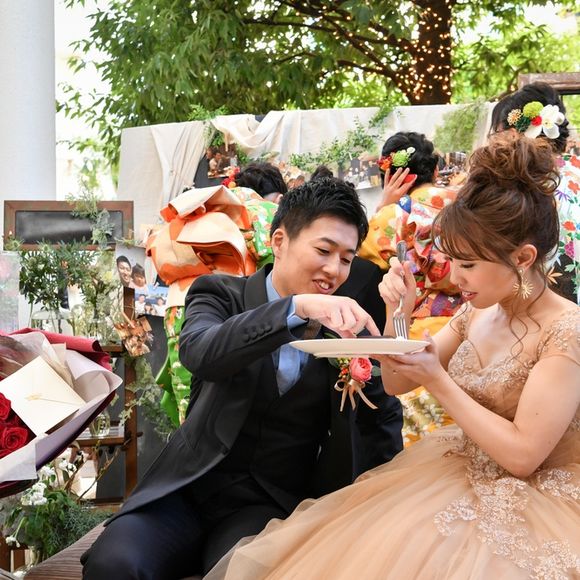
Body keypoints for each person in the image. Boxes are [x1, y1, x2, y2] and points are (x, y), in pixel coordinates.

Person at [205, 132, 580, 580]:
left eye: (468, 264)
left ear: (523, 257)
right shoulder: (477, 313)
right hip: (452, 476)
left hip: (539, 499)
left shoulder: (566, 331)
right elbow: (398, 381)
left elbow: (522, 456)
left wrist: (439, 380)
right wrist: (398, 313)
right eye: (453, 261)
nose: (455, 277)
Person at [82, 178, 404, 579]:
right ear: (279, 241)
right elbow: (201, 353)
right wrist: (296, 308)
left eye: (346, 259)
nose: (333, 270)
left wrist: (390, 349)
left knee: (243, 571)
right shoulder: (219, 293)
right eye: (323, 251)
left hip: (265, 507)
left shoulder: (342, 332)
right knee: (114, 564)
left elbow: (378, 423)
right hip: (185, 492)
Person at [359, 131, 462, 444]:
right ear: (435, 170)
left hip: (418, 336)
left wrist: (384, 206)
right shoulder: (466, 203)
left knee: (426, 438)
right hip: (472, 326)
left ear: (389, 175)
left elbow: (359, 255)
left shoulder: (390, 216)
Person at [491, 81, 579, 304]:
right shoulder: (575, 168)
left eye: (498, 133)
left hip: (545, 304)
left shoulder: (522, 179)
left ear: (515, 133)